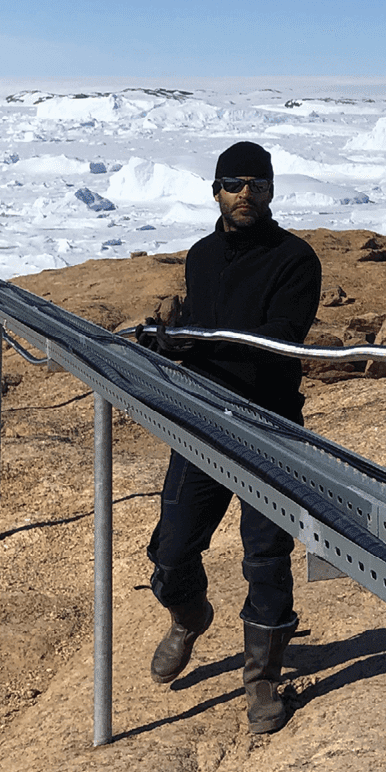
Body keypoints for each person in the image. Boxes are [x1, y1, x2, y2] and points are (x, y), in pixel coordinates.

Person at [143, 140, 322, 734]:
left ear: (272, 192)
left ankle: (262, 678)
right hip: (204, 423)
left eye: (258, 185)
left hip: (267, 427)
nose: (246, 194)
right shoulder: (200, 255)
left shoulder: (296, 259)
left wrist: (198, 337)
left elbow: (280, 335)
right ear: (215, 189)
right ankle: (188, 615)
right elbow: (199, 327)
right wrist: (172, 339)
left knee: (265, 557)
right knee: (171, 546)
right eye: (234, 183)